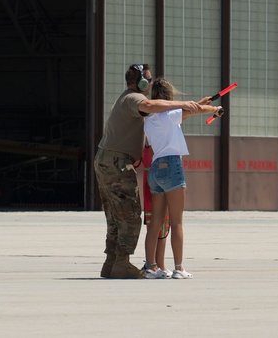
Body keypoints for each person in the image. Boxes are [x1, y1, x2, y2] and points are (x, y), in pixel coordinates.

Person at [94, 64, 213, 279]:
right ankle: (121, 263)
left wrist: (194, 106)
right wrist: (186, 104)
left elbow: (169, 114)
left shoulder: (134, 103)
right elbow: (153, 106)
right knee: (130, 215)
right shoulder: (135, 99)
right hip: (117, 163)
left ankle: (112, 262)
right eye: (147, 80)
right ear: (138, 82)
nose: (149, 83)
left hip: (109, 161)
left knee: (115, 216)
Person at [142, 77, 223, 279]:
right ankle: (179, 268)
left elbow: (187, 111)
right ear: (170, 97)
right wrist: (214, 110)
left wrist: (201, 103)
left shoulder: (149, 119)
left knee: (155, 223)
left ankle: (150, 267)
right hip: (172, 166)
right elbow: (189, 112)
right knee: (176, 222)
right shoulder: (171, 116)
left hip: (155, 170)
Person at [140, 143, 171, 277]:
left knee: (162, 225)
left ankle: (158, 263)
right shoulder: (154, 131)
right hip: (158, 176)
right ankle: (153, 263)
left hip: (157, 175)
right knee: (157, 223)